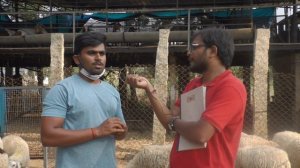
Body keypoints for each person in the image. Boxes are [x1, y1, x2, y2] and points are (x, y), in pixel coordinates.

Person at [126, 28, 247, 168]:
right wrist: (149, 89)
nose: (189, 52)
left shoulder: (231, 88)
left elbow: (201, 133)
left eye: (194, 47)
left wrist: (174, 122)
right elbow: (169, 120)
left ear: (213, 51)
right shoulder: (193, 85)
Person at [41, 32, 127, 168]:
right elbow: (48, 137)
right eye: (92, 53)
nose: (98, 58)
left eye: (102, 53)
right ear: (77, 59)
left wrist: (121, 132)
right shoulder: (63, 90)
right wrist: (96, 132)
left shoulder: (112, 91)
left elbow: (120, 133)